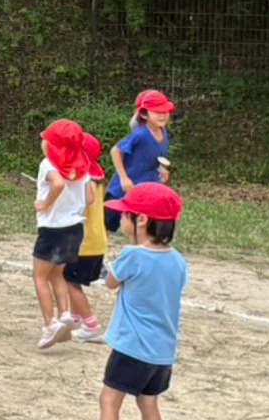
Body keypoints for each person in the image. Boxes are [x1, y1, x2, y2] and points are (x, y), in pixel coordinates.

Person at [68, 183, 189, 420]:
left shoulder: (133, 255)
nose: (121, 221)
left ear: (143, 221)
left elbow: (110, 283)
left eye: (126, 216)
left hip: (132, 346)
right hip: (162, 351)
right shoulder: (178, 260)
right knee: (149, 403)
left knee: (109, 400)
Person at [34, 120, 95, 349]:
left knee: (40, 276)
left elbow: (58, 184)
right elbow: (90, 198)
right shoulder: (83, 163)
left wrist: (45, 204)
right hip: (75, 227)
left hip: (52, 229)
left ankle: (49, 323)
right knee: (57, 274)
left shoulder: (48, 164)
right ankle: (65, 314)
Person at [106, 89, 174, 235]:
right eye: (157, 112)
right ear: (144, 114)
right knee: (105, 226)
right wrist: (124, 178)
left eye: (165, 111)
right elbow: (116, 151)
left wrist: (160, 168)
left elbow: (153, 155)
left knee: (142, 227)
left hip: (146, 188)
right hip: (124, 189)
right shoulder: (141, 134)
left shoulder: (163, 132)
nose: (163, 115)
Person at [64, 137, 110, 344]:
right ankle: (76, 319)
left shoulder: (85, 180)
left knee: (70, 281)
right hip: (96, 241)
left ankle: (91, 325)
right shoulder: (97, 177)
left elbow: (81, 205)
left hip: (84, 243)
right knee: (74, 281)